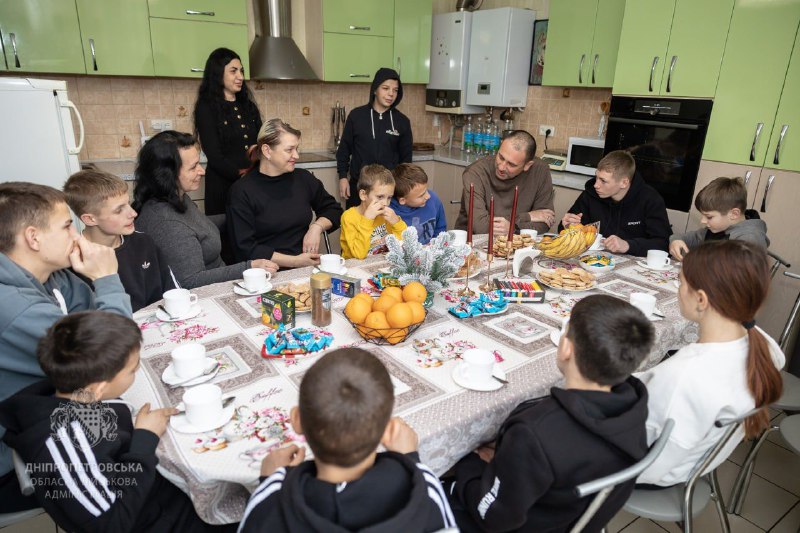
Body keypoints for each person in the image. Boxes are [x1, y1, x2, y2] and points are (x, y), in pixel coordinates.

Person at [0, 311, 234, 532]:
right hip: (158, 521)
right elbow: (112, 524)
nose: (137, 370)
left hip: (157, 492)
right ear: (99, 388)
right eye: (132, 370)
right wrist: (145, 439)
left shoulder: (76, 394)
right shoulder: (68, 444)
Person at [446, 294, 654, 532]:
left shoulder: (534, 433)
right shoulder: (634, 405)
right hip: (566, 516)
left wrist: (468, 464)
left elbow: (492, 516)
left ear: (566, 348)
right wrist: (510, 459)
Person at [0, 182, 131, 512]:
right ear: (33, 238)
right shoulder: (15, 308)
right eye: (67, 226)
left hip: (57, 408)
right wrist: (106, 278)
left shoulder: (51, 275)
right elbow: (113, 355)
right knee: (149, 456)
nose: (77, 236)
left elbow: (91, 323)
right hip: (19, 457)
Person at [238, 348, 456, 532]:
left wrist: (269, 481)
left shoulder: (269, 501)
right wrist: (410, 460)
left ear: (297, 420)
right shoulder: (425, 489)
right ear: (388, 429)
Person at [637, 241, 784, 486]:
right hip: (696, 463)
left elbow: (647, 463)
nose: (679, 290)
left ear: (701, 299)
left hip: (653, 474)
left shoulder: (685, 374)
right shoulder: (765, 345)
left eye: (680, 283)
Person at [133, 131, 278, 289]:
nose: (202, 171)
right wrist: (249, 267)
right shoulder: (166, 223)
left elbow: (196, 226)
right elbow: (191, 281)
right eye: (193, 167)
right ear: (167, 174)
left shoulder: (175, 197)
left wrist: (242, 216)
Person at [228, 119, 343, 268]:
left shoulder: (303, 179)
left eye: (297, 149)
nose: (296, 155)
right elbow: (245, 248)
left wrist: (316, 227)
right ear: (267, 151)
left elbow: (334, 210)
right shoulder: (242, 191)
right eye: (289, 150)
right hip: (267, 272)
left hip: (305, 266)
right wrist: (295, 261)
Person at [64, 170, 173, 312]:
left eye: (128, 203)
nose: (133, 213)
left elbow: (173, 292)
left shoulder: (144, 243)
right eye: (119, 210)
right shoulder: (71, 263)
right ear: (90, 219)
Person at [560, 150, 671, 256]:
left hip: (634, 264)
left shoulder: (650, 200)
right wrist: (567, 225)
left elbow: (664, 244)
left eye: (603, 181)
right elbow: (564, 230)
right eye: (596, 177)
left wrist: (628, 245)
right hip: (591, 259)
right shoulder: (590, 194)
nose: (596, 185)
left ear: (624, 183)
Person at [193, 47, 262, 217]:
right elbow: (214, 155)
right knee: (227, 230)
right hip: (223, 188)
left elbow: (261, 143)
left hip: (253, 185)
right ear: (218, 74)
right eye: (233, 71)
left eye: (241, 71)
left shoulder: (248, 106)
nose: (240, 76)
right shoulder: (206, 108)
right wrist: (242, 176)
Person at [337, 67, 413, 208]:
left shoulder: (402, 121)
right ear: (375, 89)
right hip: (359, 188)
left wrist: (401, 189)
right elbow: (344, 150)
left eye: (395, 90)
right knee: (356, 222)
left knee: (386, 223)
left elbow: (406, 161)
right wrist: (342, 177)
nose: (391, 94)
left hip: (389, 192)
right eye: (386, 88)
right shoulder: (356, 116)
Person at [455, 130, 556, 236]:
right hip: (473, 241)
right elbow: (481, 226)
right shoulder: (475, 172)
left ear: (527, 165)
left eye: (511, 165)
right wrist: (527, 217)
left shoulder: (540, 170)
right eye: (501, 157)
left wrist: (513, 228)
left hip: (517, 242)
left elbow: (545, 221)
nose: (501, 167)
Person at [669, 177, 769, 261]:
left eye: (709, 217)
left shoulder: (751, 240)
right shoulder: (718, 228)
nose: (702, 221)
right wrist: (676, 240)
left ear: (734, 214)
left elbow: (736, 276)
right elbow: (687, 238)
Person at [340, 164, 407, 259]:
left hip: (381, 265)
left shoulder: (385, 215)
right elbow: (358, 255)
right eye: (380, 197)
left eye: (389, 197)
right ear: (363, 195)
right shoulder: (349, 217)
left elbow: (406, 245)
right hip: (356, 266)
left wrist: (397, 222)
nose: (385, 203)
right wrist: (367, 220)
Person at [390, 163, 447, 245]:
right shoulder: (390, 213)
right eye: (421, 195)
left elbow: (440, 230)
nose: (428, 196)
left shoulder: (434, 200)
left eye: (426, 190)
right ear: (403, 200)